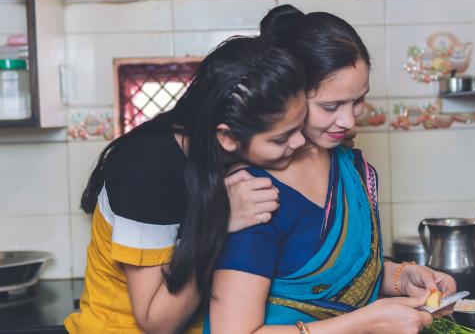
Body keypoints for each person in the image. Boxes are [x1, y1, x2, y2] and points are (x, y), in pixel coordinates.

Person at [207, 5, 456, 334]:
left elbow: (348, 279)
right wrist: (364, 324)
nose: (350, 121)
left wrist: (403, 277)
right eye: (330, 106)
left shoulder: (350, 167)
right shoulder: (254, 195)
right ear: (290, 96)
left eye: (358, 101)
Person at [65, 36, 310, 333]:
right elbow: (156, 321)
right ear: (227, 136)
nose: (299, 142)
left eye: (301, 127)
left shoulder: (227, 152)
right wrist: (220, 221)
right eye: (281, 138)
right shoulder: (147, 167)